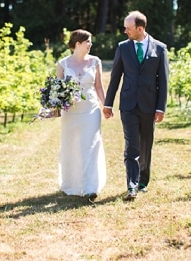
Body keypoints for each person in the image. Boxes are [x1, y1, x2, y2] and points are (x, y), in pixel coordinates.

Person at [103, 11, 169, 201]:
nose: (125, 31)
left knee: (146, 145)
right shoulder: (123, 48)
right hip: (129, 104)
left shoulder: (160, 48)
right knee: (131, 145)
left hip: (150, 104)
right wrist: (108, 103)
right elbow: (115, 77)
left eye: (128, 28)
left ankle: (142, 181)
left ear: (140, 29)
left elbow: (163, 81)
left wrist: (160, 107)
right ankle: (131, 186)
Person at [56, 29, 107, 203]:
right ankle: (73, 183)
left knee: (90, 145)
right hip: (70, 113)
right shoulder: (63, 64)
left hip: (91, 110)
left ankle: (91, 187)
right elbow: (58, 90)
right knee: (71, 146)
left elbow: (99, 86)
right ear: (78, 44)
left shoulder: (95, 61)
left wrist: (105, 105)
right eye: (88, 42)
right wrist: (55, 106)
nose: (90, 45)